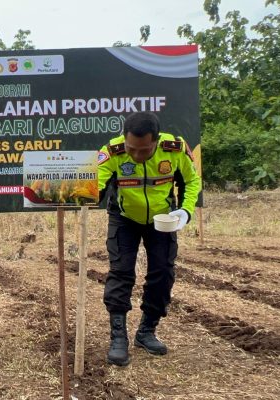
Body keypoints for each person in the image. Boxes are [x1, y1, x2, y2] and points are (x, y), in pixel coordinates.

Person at [97, 111, 201, 366]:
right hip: (124, 218)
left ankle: (147, 331)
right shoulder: (112, 152)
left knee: (163, 272)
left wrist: (185, 211)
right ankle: (118, 337)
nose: (137, 155)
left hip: (163, 219)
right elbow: (94, 187)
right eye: (132, 149)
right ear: (125, 139)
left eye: (144, 150)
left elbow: (192, 180)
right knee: (121, 273)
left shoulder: (174, 149)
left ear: (156, 140)